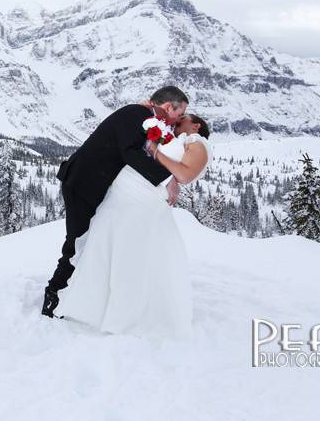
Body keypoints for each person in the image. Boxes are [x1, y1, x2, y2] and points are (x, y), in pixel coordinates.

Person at [51, 114, 212, 338]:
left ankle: (131, 311)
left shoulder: (197, 143)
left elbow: (185, 174)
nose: (178, 120)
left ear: (196, 125)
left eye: (184, 117)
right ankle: (97, 304)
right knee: (109, 249)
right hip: (123, 197)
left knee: (133, 254)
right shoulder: (176, 138)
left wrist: (156, 153)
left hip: (143, 202)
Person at [41, 86, 189, 318]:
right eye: (178, 115)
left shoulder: (143, 117)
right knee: (78, 240)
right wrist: (170, 176)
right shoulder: (136, 115)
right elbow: (129, 152)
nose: (177, 121)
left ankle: (79, 291)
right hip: (82, 184)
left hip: (93, 185)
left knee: (89, 240)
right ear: (168, 107)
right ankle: (54, 292)